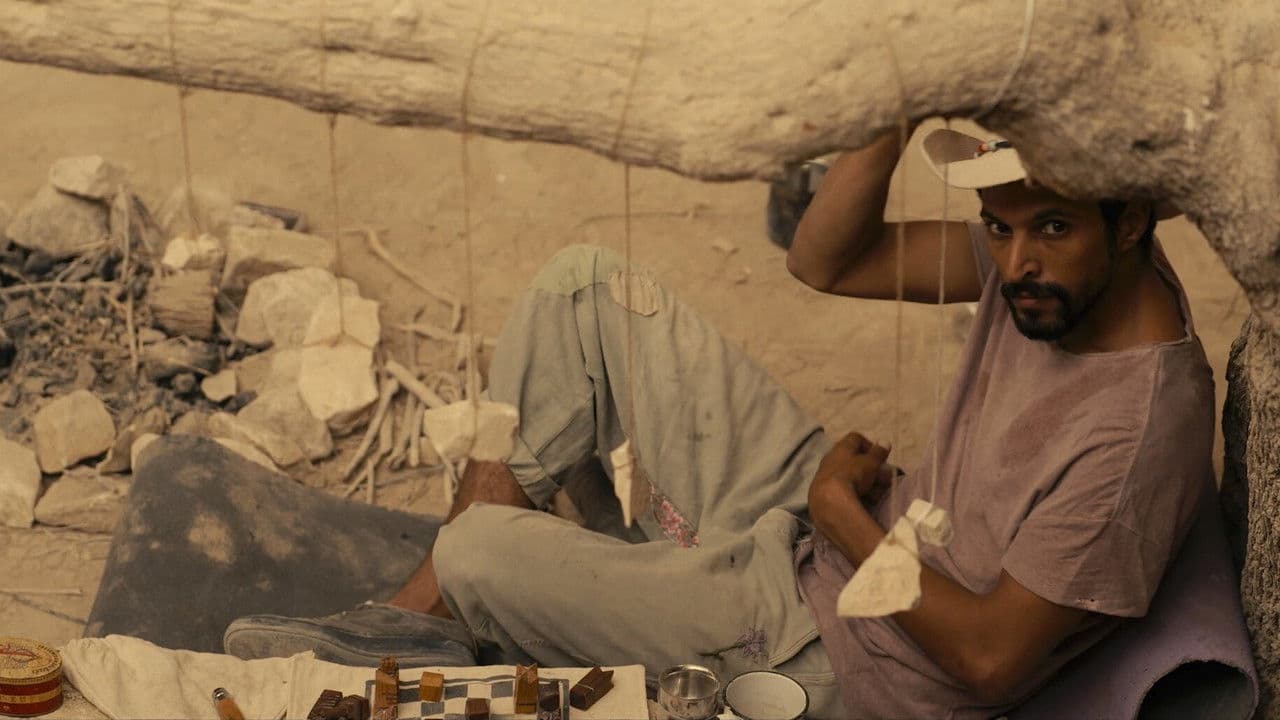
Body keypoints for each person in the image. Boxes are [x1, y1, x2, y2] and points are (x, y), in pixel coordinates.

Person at [224, 125, 1214, 719]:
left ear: (1133, 221)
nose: (1013, 263)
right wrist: (897, 112)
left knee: (479, 548)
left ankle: (427, 625)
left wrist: (844, 519)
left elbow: (991, 661)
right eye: (997, 227)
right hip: (826, 539)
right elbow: (823, 260)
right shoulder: (1055, 271)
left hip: (827, 653)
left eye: (1048, 229)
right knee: (584, 290)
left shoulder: (1134, 433)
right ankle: (422, 626)